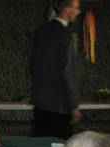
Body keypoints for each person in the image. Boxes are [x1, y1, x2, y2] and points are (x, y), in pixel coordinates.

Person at [30, 0, 82, 139]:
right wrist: (74, 105)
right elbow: (68, 71)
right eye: (76, 8)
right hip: (60, 106)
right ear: (67, 9)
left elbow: (33, 66)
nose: (78, 12)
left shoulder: (40, 31)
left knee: (41, 146)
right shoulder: (66, 35)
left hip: (40, 103)